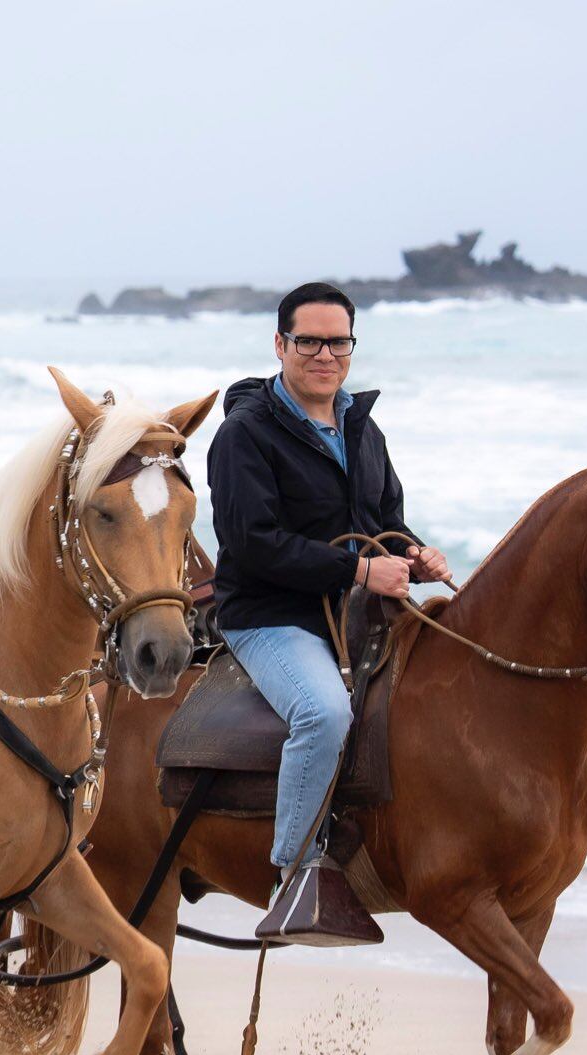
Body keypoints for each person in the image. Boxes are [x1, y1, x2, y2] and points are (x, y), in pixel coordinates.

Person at [207, 282, 451, 945]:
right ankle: (295, 876)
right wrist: (360, 570)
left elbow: (383, 520)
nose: (325, 354)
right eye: (309, 340)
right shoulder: (243, 436)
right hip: (271, 616)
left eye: (337, 341)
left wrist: (412, 552)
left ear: (351, 347)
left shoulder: (361, 428)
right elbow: (254, 545)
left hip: (357, 611)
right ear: (280, 345)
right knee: (325, 713)